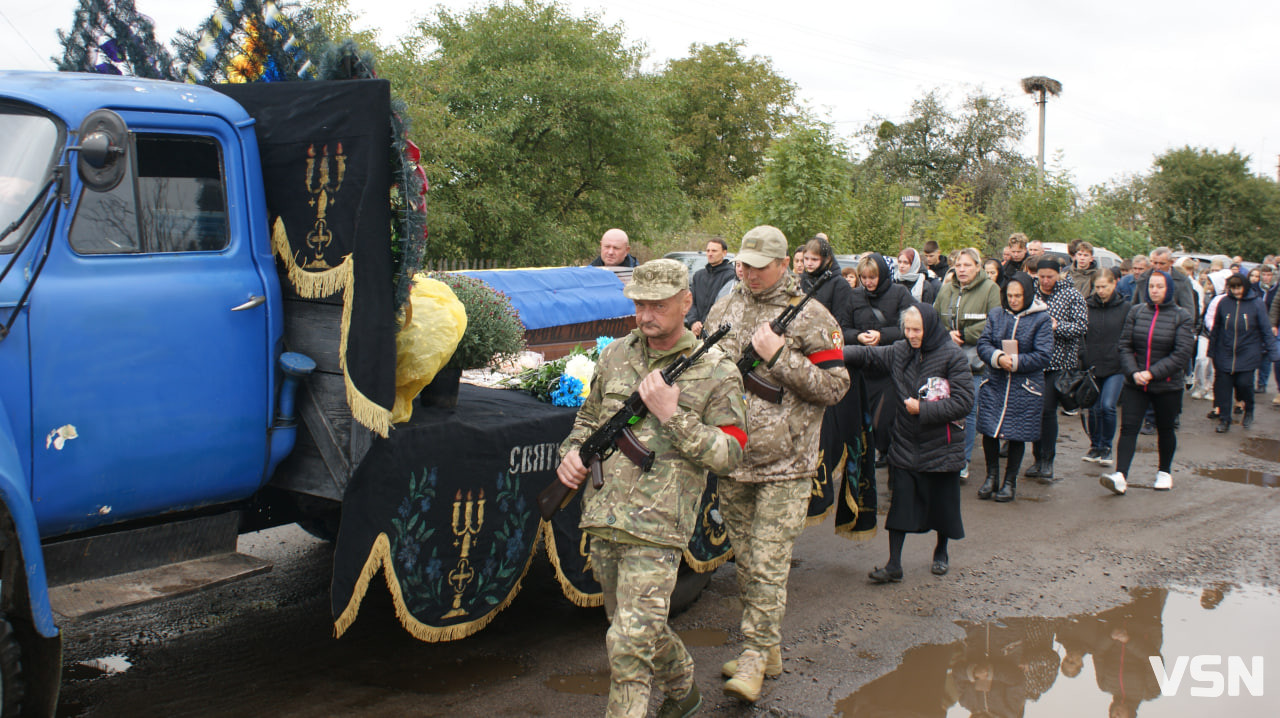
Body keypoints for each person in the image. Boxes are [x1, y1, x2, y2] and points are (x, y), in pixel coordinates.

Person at [555, 259, 748, 718]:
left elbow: (731, 455)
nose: (645, 316)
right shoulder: (616, 354)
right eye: (639, 304)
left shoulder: (717, 371)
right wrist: (572, 450)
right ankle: (683, 691)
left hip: (659, 526)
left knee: (626, 645)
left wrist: (672, 415)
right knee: (637, 629)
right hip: (605, 516)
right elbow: (589, 418)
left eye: (657, 305)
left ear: (686, 302)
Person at [705, 225, 849, 703]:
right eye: (743, 263)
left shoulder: (812, 316)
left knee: (768, 563)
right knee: (747, 562)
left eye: (758, 266)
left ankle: (752, 658)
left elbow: (835, 387)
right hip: (734, 457)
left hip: (787, 462)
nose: (746, 271)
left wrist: (781, 357)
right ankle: (768, 649)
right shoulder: (726, 304)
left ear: (785, 265)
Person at [843, 304, 973, 581]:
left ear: (930, 327)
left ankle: (941, 551)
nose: (911, 335)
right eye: (908, 329)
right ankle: (894, 565)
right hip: (904, 443)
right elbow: (868, 356)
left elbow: (964, 403)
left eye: (917, 330)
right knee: (900, 506)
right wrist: (831, 354)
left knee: (943, 507)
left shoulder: (952, 356)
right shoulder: (901, 350)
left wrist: (922, 410)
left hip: (941, 446)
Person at [1100, 270, 1194, 495]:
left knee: (1165, 428)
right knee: (1129, 428)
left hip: (1167, 385)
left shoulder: (1182, 316)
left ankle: (1164, 472)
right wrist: (1134, 372)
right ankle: (1120, 475)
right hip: (1136, 384)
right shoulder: (1137, 312)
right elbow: (1125, 346)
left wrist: (1152, 373)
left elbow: (1181, 354)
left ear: (1169, 289)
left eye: (1160, 286)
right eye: (1151, 286)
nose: (1154, 290)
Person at [975, 272, 1052, 502]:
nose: (1013, 300)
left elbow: (1043, 354)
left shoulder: (1041, 319)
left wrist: (1017, 362)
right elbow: (984, 343)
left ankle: (1010, 482)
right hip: (996, 380)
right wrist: (998, 357)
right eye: (1009, 295)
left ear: (1027, 294)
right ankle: (991, 477)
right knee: (990, 429)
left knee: (1017, 433)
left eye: (1018, 295)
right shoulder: (997, 314)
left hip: (1024, 385)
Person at [933, 248, 1001, 479]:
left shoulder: (990, 289)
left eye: (967, 265)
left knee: (967, 411)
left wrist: (963, 332)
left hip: (974, 362)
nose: (962, 270)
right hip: (945, 358)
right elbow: (933, 318)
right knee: (941, 407)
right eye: (958, 265)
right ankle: (942, 454)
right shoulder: (946, 289)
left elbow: (995, 322)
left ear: (977, 267)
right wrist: (946, 334)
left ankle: (963, 460)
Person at [850, 253, 916, 468]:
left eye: (872, 277)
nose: (868, 282)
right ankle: (871, 451)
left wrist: (883, 336)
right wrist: (858, 337)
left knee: (884, 419)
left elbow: (912, 327)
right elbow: (842, 328)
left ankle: (888, 450)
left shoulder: (900, 293)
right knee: (863, 417)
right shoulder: (854, 296)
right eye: (864, 278)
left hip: (891, 366)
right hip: (863, 366)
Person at [1026, 257, 1087, 482]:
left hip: (1058, 363)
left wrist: (1056, 326)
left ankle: (1047, 460)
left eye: (1049, 276)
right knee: (1035, 411)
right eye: (1041, 276)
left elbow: (1081, 326)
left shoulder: (1072, 295)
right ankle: (1036, 458)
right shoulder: (1031, 292)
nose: (1044, 281)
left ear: (1059, 274)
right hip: (1033, 362)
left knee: (1047, 410)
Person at [1208, 274, 1279, 432]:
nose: (1236, 291)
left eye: (1239, 287)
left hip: (1248, 352)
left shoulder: (1257, 304)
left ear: (1245, 286)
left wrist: (1273, 353)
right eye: (1232, 288)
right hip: (1225, 352)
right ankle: (1225, 419)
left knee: (1244, 384)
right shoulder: (1224, 303)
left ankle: (1249, 409)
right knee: (1224, 387)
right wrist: (1212, 350)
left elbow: (1266, 329)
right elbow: (1216, 328)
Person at [1082, 268, 1129, 465]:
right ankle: (1095, 446)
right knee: (1093, 409)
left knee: (1107, 406)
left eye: (1104, 286)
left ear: (1114, 284)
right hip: (1092, 365)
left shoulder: (1125, 307)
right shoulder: (1086, 306)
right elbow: (1081, 334)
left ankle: (1107, 446)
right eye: (1097, 287)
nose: (1100, 291)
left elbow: (1129, 336)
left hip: (1115, 366)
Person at [799, 236, 856, 336]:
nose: (809, 263)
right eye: (806, 259)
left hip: (828, 338)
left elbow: (840, 321)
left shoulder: (840, 284)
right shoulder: (802, 280)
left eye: (814, 259)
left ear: (827, 259)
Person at [685, 237, 736, 337]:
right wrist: (693, 322)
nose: (710, 253)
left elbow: (722, 306)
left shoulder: (731, 276)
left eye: (714, 251)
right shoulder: (698, 276)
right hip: (694, 330)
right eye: (708, 250)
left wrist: (704, 325)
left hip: (716, 332)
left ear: (724, 253)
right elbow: (690, 301)